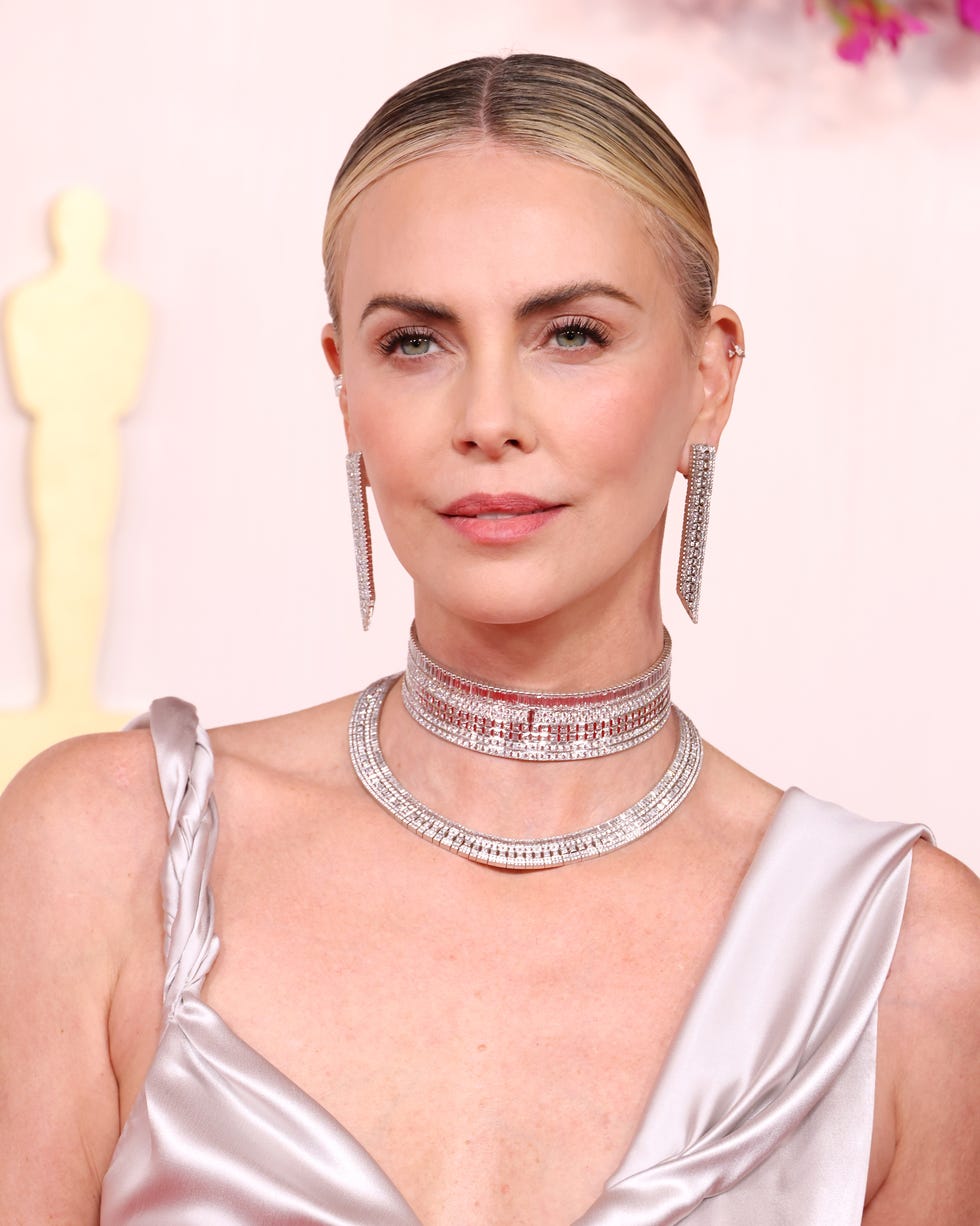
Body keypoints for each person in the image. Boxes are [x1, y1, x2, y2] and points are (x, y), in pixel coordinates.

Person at [1, 53, 978, 1226]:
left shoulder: (910, 961)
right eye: (415, 342)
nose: (487, 421)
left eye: (569, 332)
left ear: (709, 373)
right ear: (343, 385)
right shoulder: (103, 856)